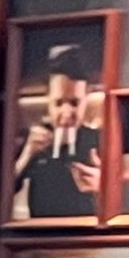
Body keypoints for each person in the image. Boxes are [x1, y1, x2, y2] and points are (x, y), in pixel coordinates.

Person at [15, 47, 104, 220]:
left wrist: (103, 188)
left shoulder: (100, 140)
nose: (66, 113)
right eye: (58, 103)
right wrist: (26, 155)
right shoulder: (32, 141)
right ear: (48, 100)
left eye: (74, 103)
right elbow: (1, 195)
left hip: (85, 232)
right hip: (42, 232)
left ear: (86, 99)